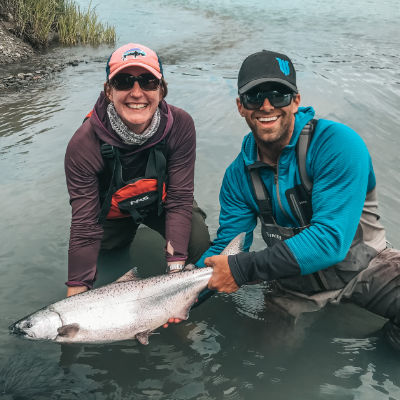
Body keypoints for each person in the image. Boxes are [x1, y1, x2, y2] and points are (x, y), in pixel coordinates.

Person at [198, 50, 400, 349]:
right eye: (254, 96)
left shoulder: (338, 144)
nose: (267, 105)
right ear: (241, 106)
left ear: (296, 100)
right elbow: (227, 247)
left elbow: (330, 240)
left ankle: (380, 352)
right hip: (292, 287)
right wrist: (179, 296)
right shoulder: (237, 176)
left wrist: (242, 270)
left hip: (367, 268)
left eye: (279, 94)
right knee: (263, 364)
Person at [65, 43, 210, 301]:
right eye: (123, 81)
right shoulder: (83, 144)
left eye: (147, 81)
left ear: (161, 90)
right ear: (109, 91)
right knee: (105, 259)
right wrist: (76, 291)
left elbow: (179, 199)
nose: (136, 92)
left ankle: (186, 311)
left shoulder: (181, 125)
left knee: (196, 239)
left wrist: (175, 276)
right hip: (111, 213)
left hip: (162, 202)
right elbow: (85, 226)